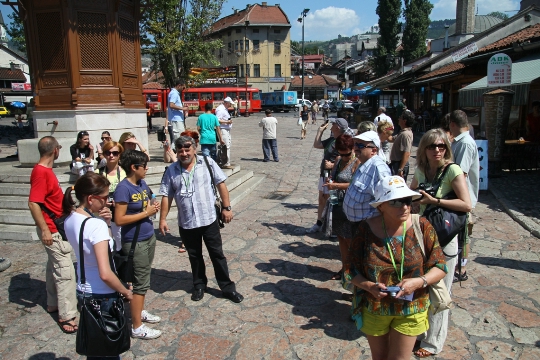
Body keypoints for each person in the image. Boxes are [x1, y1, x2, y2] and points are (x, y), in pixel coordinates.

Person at [345, 175, 447, 360]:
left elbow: (440, 266)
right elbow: (350, 270)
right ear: (381, 205)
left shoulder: (421, 226)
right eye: (396, 202)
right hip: (375, 307)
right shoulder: (365, 229)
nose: (405, 207)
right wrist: (369, 287)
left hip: (412, 306)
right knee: (380, 357)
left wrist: (418, 282)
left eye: (407, 201)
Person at [158, 136, 244, 304]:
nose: (184, 153)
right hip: (187, 222)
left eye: (187, 149)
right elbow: (166, 196)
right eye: (180, 150)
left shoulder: (207, 162)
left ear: (194, 148)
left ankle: (227, 288)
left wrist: (227, 208)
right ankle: (199, 285)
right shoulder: (171, 170)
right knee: (194, 256)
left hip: (208, 219)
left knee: (217, 255)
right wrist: (162, 219)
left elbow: (221, 185)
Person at [410, 128, 471, 358]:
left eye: (442, 146)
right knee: (422, 288)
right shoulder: (421, 170)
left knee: (440, 291)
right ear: (424, 148)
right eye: (432, 146)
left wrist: (435, 200)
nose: (437, 150)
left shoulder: (452, 170)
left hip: (444, 240)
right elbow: (413, 194)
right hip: (422, 236)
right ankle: (421, 332)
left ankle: (434, 343)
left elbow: (466, 205)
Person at [63, 172, 133, 360]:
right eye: (103, 198)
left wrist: (107, 223)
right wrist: (125, 291)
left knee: (95, 348)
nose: (107, 201)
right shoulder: (95, 225)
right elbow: (105, 273)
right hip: (103, 295)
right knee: (109, 350)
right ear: (90, 198)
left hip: (83, 290)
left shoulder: (71, 219)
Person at [28, 136, 78, 334]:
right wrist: (45, 230)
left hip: (56, 226)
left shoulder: (44, 171)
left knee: (53, 267)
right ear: (55, 150)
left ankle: (52, 303)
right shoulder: (41, 172)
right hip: (52, 229)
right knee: (65, 271)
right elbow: (33, 203)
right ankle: (67, 315)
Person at [114, 150, 162, 340]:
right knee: (140, 284)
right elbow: (119, 219)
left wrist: (153, 202)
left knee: (143, 279)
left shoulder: (141, 183)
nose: (147, 169)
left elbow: (150, 196)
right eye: (144, 166)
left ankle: (138, 310)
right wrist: (146, 213)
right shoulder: (123, 188)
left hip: (148, 237)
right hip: (135, 242)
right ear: (134, 168)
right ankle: (136, 327)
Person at [322, 134, 360, 280]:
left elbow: (355, 185)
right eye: (341, 154)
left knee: (351, 241)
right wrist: (330, 180)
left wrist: (336, 185)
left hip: (350, 206)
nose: (344, 157)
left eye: (347, 154)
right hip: (337, 204)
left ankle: (354, 273)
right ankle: (345, 269)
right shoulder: (338, 161)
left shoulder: (357, 162)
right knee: (341, 239)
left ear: (352, 149)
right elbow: (334, 177)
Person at [449, 110, 480, 283]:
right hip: (458, 196)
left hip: (463, 197)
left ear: (453, 124)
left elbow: (461, 174)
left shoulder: (466, 143)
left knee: (464, 235)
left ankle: (462, 268)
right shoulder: (459, 142)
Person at [307, 118, 352, 234]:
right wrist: (320, 131)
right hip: (325, 175)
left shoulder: (344, 141)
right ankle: (319, 223)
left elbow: (350, 159)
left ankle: (333, 226)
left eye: (333, 124)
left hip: (335, 177)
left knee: (333, 201)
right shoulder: (332, 139)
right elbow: (317, 145)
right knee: (321, 199)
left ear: (337, 127)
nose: (330, 126)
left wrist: (332, 165)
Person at [342, 131, 391, 236]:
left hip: (367, 227)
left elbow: (385, 201)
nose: (356, 148)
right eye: (355, 144)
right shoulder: (363, 163)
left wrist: (371, 224)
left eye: (360, 145)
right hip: (356, 223)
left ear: (373, 150)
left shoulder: (379, 168)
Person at [97, 141, 126, 251]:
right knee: (106, 245)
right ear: (104, 154)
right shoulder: (98, 173)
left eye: (115, 153)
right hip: (103, 214)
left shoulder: (125, 172)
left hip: (120, 214)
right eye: (108, 153)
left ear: (120, 154)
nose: (111, 156)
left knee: (120, 245)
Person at [389, 110, 414, 181]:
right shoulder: (402, 132)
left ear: (404, 121)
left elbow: (407, 152)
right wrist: (386, 130)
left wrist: (400, 169)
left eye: (400, 117)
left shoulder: (406, 134)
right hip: (395, 163)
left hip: (399, 164)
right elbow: (391, 139)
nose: (398, 119)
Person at [164, 79, 188, 148]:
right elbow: (171, 105)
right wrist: (183, 108)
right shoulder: (174, 93)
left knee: (177, 139)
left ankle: (174, 154)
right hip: (176, 120)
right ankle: (173, 154)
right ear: (179, 85)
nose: (183, 89)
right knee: (179, 139)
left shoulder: (173, 93)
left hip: (176, 119)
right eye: (183, 87)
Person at [216, 97, 234, 169]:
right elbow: (217, 120)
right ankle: (226, 163)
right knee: (225, 146)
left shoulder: (225, 109)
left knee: (227, 145)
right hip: (223, 129)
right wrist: (227, 122)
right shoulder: (220, 109)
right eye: (230, 104)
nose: (230, 105)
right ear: (227, 103)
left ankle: (223, 161)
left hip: (226, 129)